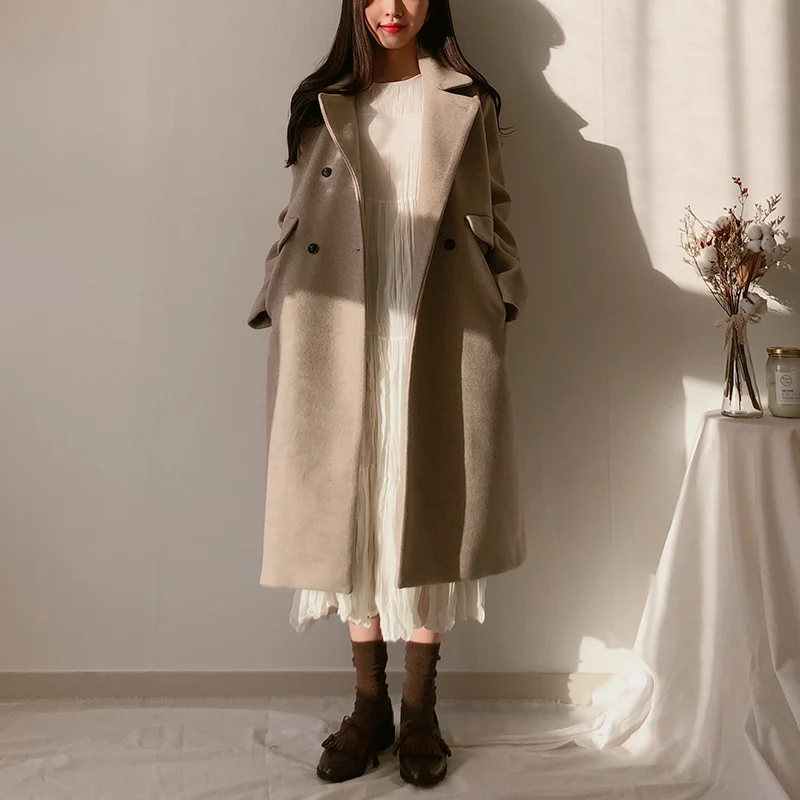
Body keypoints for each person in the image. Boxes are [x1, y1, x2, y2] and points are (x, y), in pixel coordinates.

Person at [247, 0, 528, 787]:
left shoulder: (468, 100)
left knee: (430, 497)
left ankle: (420, 707)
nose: (392, 8)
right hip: (338, 321)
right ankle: (369, 705)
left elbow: (497, 212)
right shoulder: (321, 101)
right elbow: (296, 212)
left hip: (438, 315)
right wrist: (277, 290)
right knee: (353, 501)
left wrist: (503, 292)